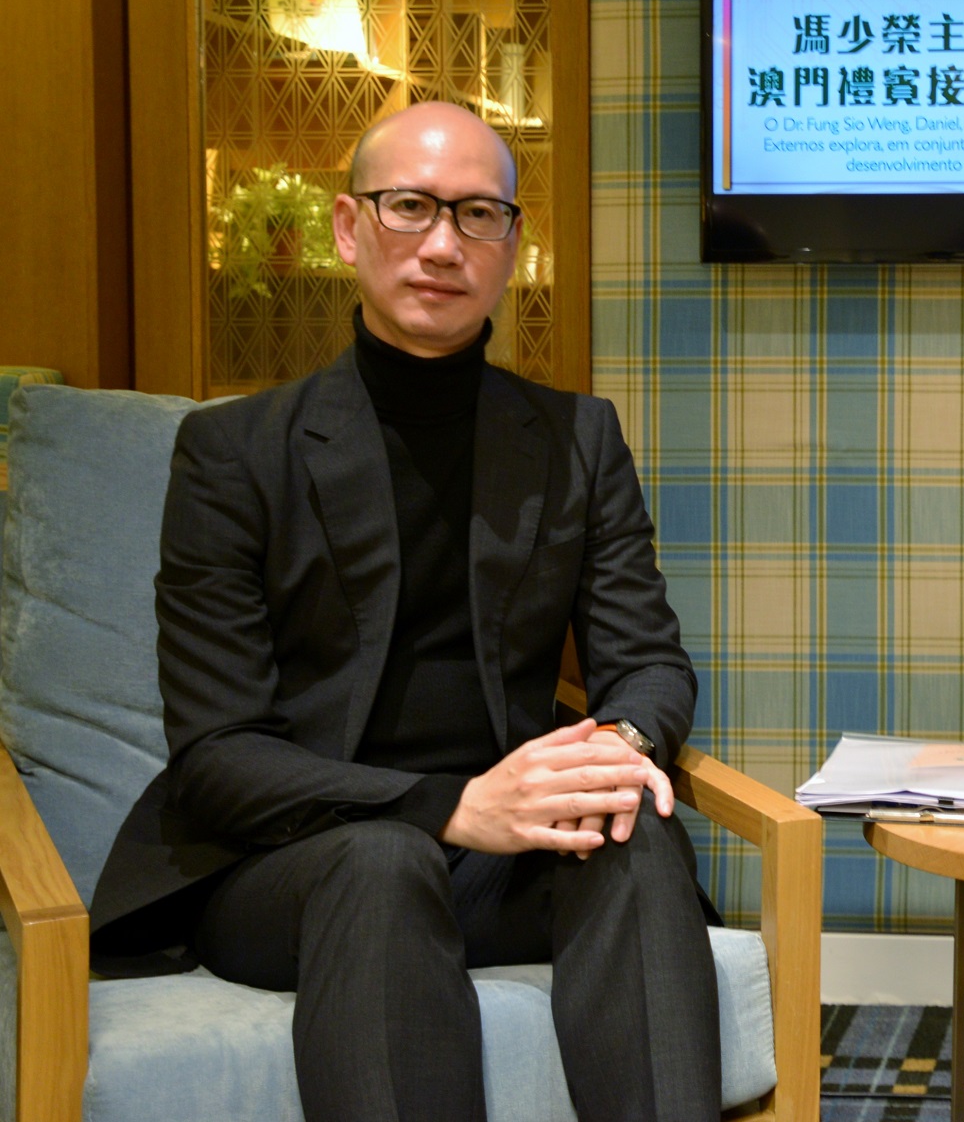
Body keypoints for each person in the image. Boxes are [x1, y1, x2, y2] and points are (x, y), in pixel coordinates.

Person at [87, 101, 723, 1122]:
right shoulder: (234, 454)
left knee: (633, 831)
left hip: (506, 861)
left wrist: (617, 746)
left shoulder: (577, 440)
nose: (442, 243)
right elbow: (218, 755)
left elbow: (648, 660)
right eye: (411, 207)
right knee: (383, 861)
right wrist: (449, 807)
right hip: (295, 865)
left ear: (510, 244)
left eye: (477, 214)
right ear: (349, 228)